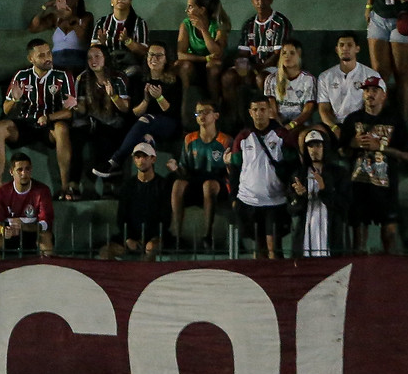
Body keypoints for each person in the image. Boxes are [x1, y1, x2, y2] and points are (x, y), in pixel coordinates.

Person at [0, 38, 78, 200]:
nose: (47, 58)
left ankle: (65, 187)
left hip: (49, 125)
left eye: (49, 53)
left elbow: (69, 112)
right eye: (41, 55)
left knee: (62, 128)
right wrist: (15, 100)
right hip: (24, 123)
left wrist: (48, 117)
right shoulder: (21, 76)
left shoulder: (63, 76)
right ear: (31, 59)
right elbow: (6, 109)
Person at [337, 77, 408, 253]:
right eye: (367, 90)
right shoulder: (352, 119)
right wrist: (353, 143)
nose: (370, 94)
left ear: (384, 95)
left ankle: (390, 267)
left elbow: (407, 155)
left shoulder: (395, 119)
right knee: (359, 238)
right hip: (358, 185)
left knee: (390, 234)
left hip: (386, 185)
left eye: (375, 90)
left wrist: (380, 147)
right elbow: (341, 151)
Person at [94, 43, 182, 178]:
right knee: (144, 139)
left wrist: (159, 98)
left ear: (166, 59)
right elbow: (135, 112)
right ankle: (141, 181)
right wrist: (146, 100)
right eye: (151, 55)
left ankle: (115, 161)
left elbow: (171, 112)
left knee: (146, 119)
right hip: (144, 125)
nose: (154, 58)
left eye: (159, 55)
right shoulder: (140, 80)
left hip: (167, 125)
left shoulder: (173, 81)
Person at [229, 95, 295, 259]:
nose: (259, 113)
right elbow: (235, 168)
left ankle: (278, 274)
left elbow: (293, 165)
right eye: (255, 110)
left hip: (275, 200)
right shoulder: (242, 137)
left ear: (270, 111)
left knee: (274, 248)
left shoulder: (282, 135)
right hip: (249, 200)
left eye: (263, 109)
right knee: (258, 248)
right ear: (250, 112)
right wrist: (234, 197)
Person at [171, 100, 233, 250]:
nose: (201, 116)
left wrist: (229, 164)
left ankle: (207, 236)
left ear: (216, 115)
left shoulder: (225, 140)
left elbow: (231, 172)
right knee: (178, 184)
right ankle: (177, 236)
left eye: (206, 112)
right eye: (198, 112)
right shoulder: (190, 139)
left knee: (208, 185)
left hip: (218, 181)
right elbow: (184, 170)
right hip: (195, 179)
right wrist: (176, 169)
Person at [70, 44, 131, 189]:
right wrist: (74, 104)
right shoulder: (83, 78)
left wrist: (113, 96)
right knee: (76, 138)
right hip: (91, 121)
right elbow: (82, 109)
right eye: (90, 58)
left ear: (105, 58)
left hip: (114, 122)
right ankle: (73, 185)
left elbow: (125, 108)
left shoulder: (118, 78)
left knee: (104, 136)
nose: (93, 60)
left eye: (97, 56)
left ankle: (108, 184)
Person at [226, 0, 292, 116]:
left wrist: (257, 69)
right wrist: (242, 66)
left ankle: (267, 116)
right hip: (253, 66)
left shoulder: (280, 22)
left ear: (271, 0)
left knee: (262, 79)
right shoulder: (249, 24)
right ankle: (234, 117)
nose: (260, 3)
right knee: (228, 77)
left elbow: (278, 55)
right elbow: (243, 53)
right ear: (252, 1)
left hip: (274, 67)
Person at [98, 141, 172, 259]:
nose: (141, 160)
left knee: (151, 248)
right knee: (105, 252)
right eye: (138, 157)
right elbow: (121, 217)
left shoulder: (163, 185)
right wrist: (128, 238)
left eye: (145, 157)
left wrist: (151, 238)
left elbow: (165, 217)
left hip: (155, 236)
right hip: (131, 235)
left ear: (153, 159)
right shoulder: (128, 186)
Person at [289, 129, 350, 257]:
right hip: (305, 237)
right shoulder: (299, 174)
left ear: (325, 147)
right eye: (310, 146)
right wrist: (299, 196)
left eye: (318, 145)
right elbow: (291, 209)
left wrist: (324, 189)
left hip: (332, 235)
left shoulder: (339, 173)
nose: (314, 150)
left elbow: (345, 205)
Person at [0, 153, 55, 260]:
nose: (24, 173)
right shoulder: (1, 192)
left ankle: (48, 268)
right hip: (11, 234)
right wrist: (3, 230)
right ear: (11, 172)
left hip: (33, 232)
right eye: (20, 170)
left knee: (46, 236)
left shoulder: (42, 190)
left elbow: (46, 222)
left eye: (27, 169)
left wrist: (24, 227)